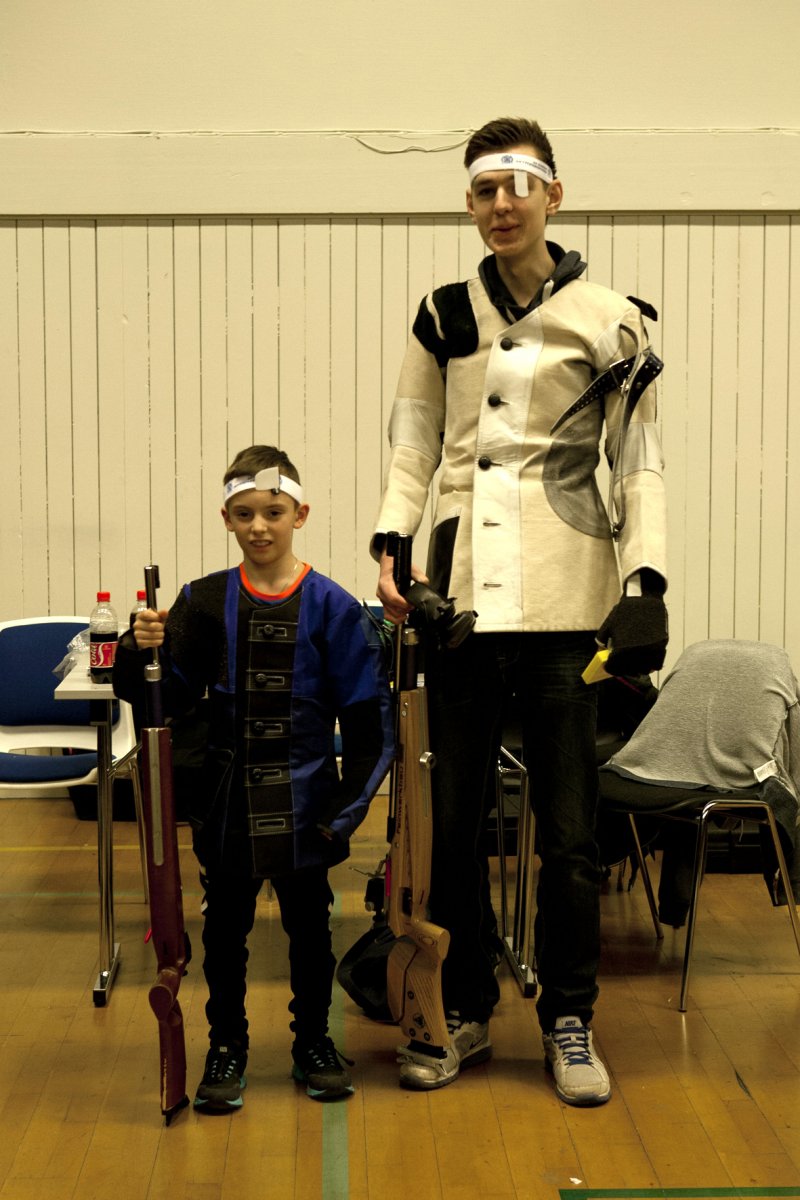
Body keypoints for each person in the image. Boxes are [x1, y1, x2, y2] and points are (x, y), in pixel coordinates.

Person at [372, 117, 668, 1106]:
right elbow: (413, 443)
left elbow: (638, 465)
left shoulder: (612, 319)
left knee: (572, 833)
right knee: (453, 827)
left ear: (552, 194)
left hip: (566, 598)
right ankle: (461, 1007)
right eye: (483, 189)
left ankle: (568, 1017)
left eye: (517, 185)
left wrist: (646, 584)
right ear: (468, 203)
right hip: (456, 601)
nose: (501, 205)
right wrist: (390, 542)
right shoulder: (441, 313)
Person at [114, 444, 395, 1113]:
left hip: (307, 809)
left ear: (300, 513)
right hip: (227, 807)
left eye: (273, 512)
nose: (259, 526)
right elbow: (162, 700)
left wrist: (342, 816)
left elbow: (371, 729)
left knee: (311, 936)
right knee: (224, 938)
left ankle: (313, 1044)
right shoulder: (203, 600)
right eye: (244, 514)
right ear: (226, 518)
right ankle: (227, 1047)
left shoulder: (334, 607)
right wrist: (136, 650)